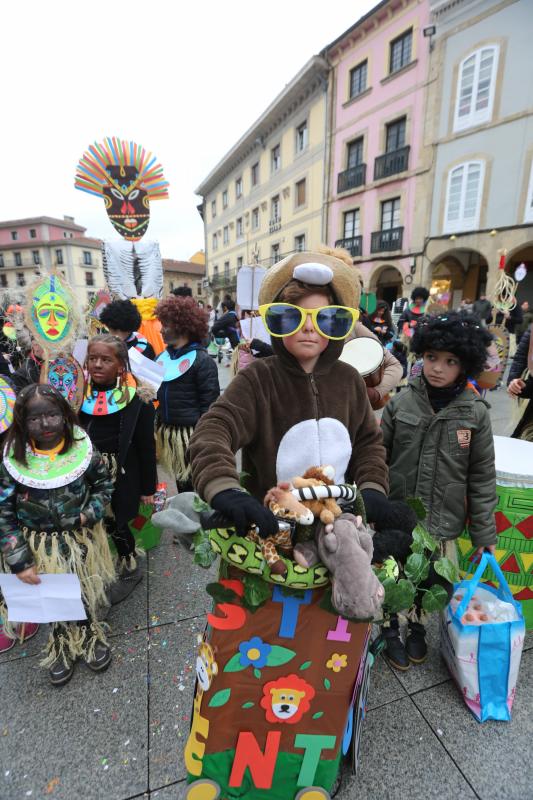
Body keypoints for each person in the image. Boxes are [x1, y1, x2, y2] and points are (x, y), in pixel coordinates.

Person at [189, 249, 395, 546]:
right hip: (271, 531)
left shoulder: (349, 380)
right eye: (292, 317)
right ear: (275, 322)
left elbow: (368, 443)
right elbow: (214, 429)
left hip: (335, 530)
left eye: (325, 319)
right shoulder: (258, 379)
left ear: (339, 326)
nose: (310, 327)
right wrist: (224, 488)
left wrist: (373, 488)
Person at [381, 312, 497, 669]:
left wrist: (484, 532)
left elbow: (481, 476)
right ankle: (389, 628)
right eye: (431, 357)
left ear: (466, 365)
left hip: (444, 521)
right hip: (400, 515)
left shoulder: (475, 412)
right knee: (392, 574)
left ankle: (418, 627)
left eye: (450, 361)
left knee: (435, 581)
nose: (437, 368)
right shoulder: (401, 404)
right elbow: (377, 459)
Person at [0, 384, 114, 685]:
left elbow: (104, 486)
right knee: (51, 597)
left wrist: (87, 514)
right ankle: (62, 644)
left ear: (65, 414)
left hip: (78, 538)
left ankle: (90, 636)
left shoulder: (82, 449)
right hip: (39, 546)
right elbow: (4, 514)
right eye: (35, 418)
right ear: (22, 422)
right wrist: (20, 560)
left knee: (83, 590)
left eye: (52, 414)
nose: (46, 424)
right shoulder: (12, 460)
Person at [79, 334, 157, 604]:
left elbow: (147, 448)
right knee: (92, 521)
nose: (97, 364)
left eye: (106, 359)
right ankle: (97, 564)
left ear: (121, 364)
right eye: (92, 358)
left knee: (117, 521)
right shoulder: (77, 396)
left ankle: (129, 564)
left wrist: (148, 488)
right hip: (87, 474)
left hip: (120, 474)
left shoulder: (139, 401)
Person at [154, 295, 220, 492]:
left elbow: (210, 405)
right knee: (181, 483)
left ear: (182, 326)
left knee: (196, 486)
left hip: (190, 437)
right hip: (169, 434)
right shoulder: (162, 357)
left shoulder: (202, 361)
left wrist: (203, 440)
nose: (161, 329)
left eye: (165, 324)